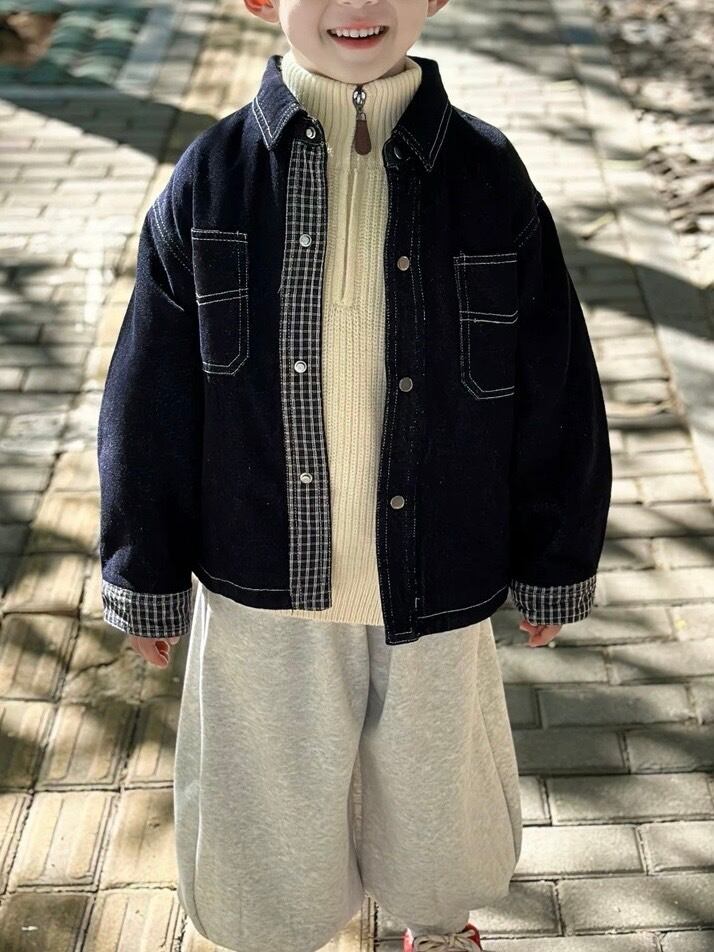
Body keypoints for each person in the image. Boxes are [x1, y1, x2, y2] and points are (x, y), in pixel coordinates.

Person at [96, 0, 613, 948]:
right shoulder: (212, 178)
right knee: (267, 805)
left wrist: (555, 559)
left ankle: (436, 922)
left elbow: (556, 382)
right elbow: (149, 396)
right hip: (264, 578)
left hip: (439, 567)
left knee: (438, 790)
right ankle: (274, 935)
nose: (360, 4)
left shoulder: (488, 175)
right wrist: (146, 574)